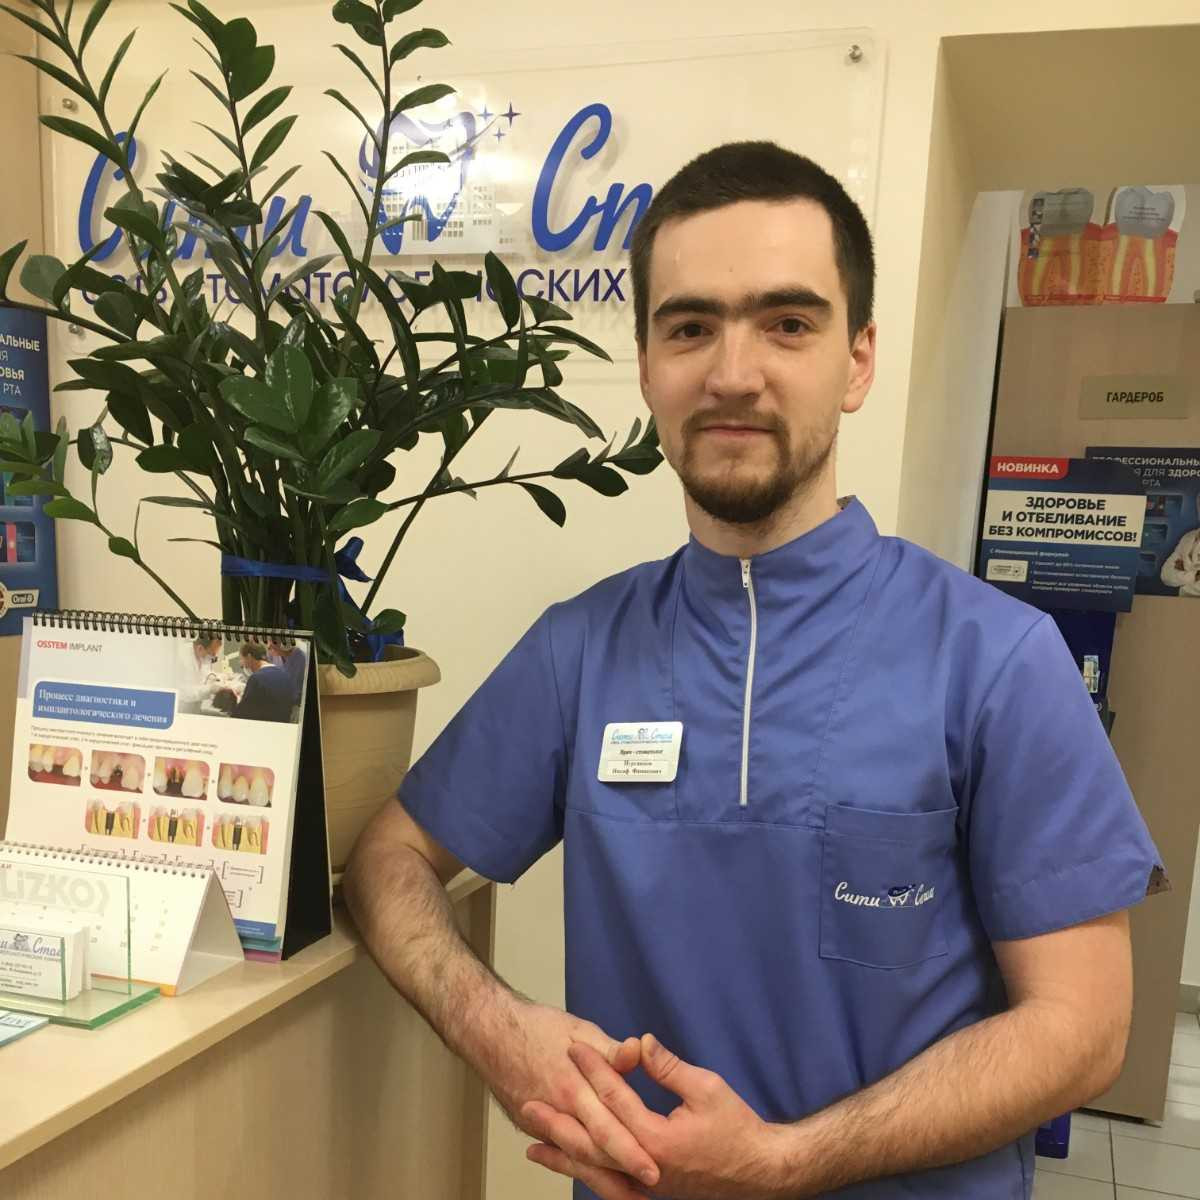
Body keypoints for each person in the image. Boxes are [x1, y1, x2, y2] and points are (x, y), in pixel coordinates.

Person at [343, 143, 1168, 1200]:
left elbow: (1085, 1029)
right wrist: (498, 1032)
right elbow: (388, 862)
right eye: (690, 327)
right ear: (648, 367)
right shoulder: (580, 652)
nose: (732, 373)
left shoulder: (996, 661)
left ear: (858, 361)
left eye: (787, 323)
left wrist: (785, 1162)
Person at [217, 643, 294, 723]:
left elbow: (241, 713)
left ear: (249, 657)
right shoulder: (284, 674)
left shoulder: (256, 678)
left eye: (242, 659)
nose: (242, 664)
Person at [175, 632, 224, 713]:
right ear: (200, 648)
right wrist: (210, 689)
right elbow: (185, 693)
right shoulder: (182, 658)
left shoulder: (200, 654)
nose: (211, 658)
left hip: (196, 704)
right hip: (182, 707)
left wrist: (219, 677)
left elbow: (204, 672)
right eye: (211, 654)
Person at [267, 637, 308, 704]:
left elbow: (296, 691)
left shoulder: (300, 658)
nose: (268, 646)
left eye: (272, 642)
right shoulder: (273, 655)